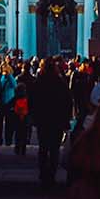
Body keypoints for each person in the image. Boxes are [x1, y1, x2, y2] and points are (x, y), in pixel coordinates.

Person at [30, 58, 73, 190]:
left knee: (43, 148)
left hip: (43, 120)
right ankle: (52, 175)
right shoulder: (60, 83)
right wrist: (66, 120)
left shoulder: (38, 82)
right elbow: (67, 102)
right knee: (54, 149)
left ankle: (43, 175)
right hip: (57, 120)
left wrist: (34, 118)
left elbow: (33, 102)